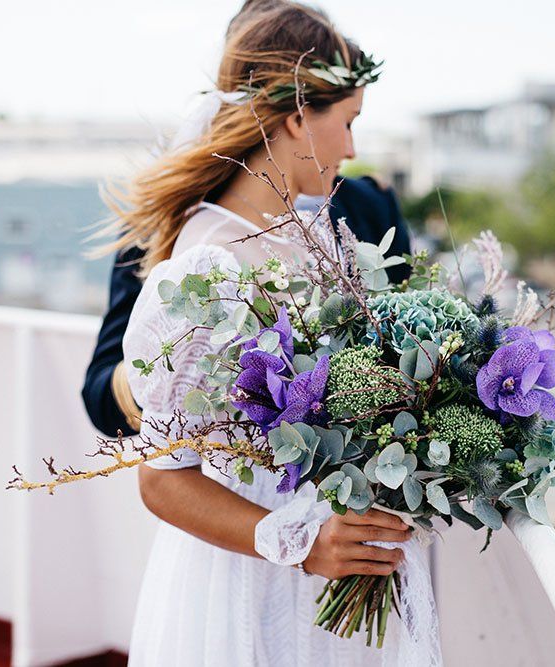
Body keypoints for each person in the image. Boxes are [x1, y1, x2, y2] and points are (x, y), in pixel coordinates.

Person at [98, 3, 440, 664]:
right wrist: (302, 541)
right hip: (251, 584)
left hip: (338, 577)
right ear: (294, 120)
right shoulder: (207, 269)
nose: (352, 148)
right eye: (348, 122)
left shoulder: (323, 238)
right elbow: (162, 480)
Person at [81, 0, 411, 440]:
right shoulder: (171, 226)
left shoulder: (370, 207)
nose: (351, 148)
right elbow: (106, 397)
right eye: (348, 122)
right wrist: (182, 357)